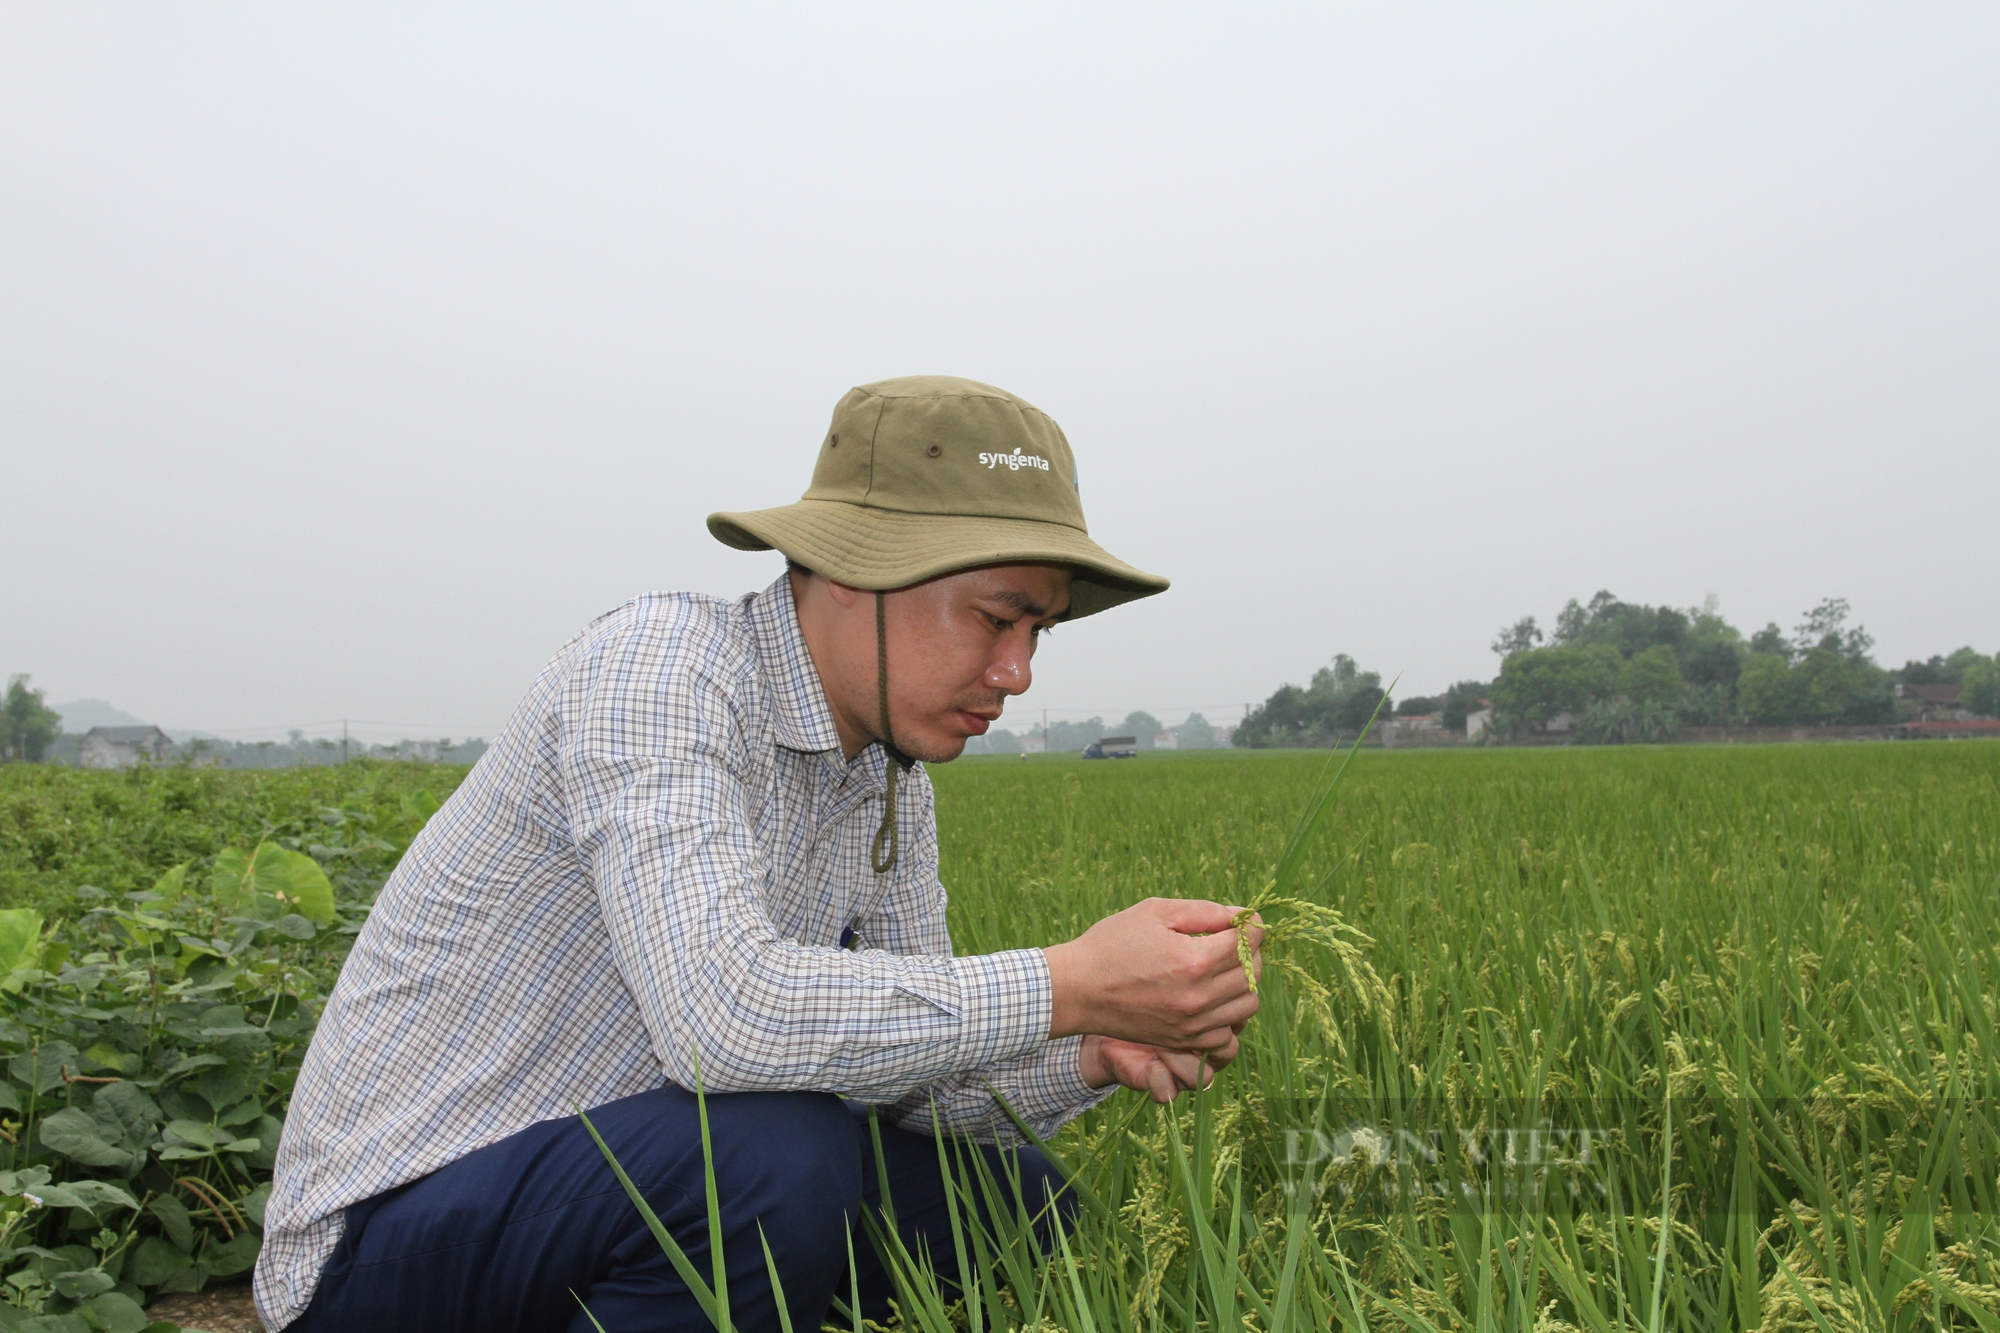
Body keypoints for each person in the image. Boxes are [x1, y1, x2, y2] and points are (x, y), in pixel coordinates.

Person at [255, 376, 1264, 1332]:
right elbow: (720, 1017)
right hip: (384, 1241)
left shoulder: (886, 782)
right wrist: (1070, 981)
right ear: (847, 573)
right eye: (995, 619)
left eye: (1036, 631)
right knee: (775, 1159)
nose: (1016, 671)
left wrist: (1092, 1048)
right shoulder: (661, 669)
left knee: (1012, 1212)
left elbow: (910, 1088)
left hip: (608, 1188)